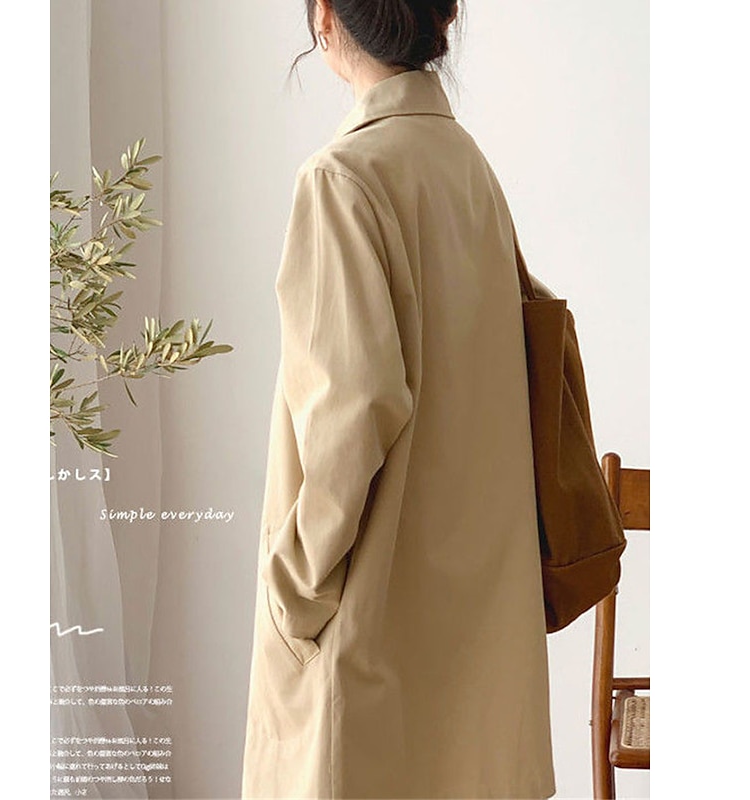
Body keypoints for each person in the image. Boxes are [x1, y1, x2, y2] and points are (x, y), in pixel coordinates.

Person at [242, 1, 556, 797]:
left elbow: (353, 412)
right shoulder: (468, 167)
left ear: (324, 17)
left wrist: (295, 587)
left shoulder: (341, 177)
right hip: (480, 634)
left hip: (371, 623)